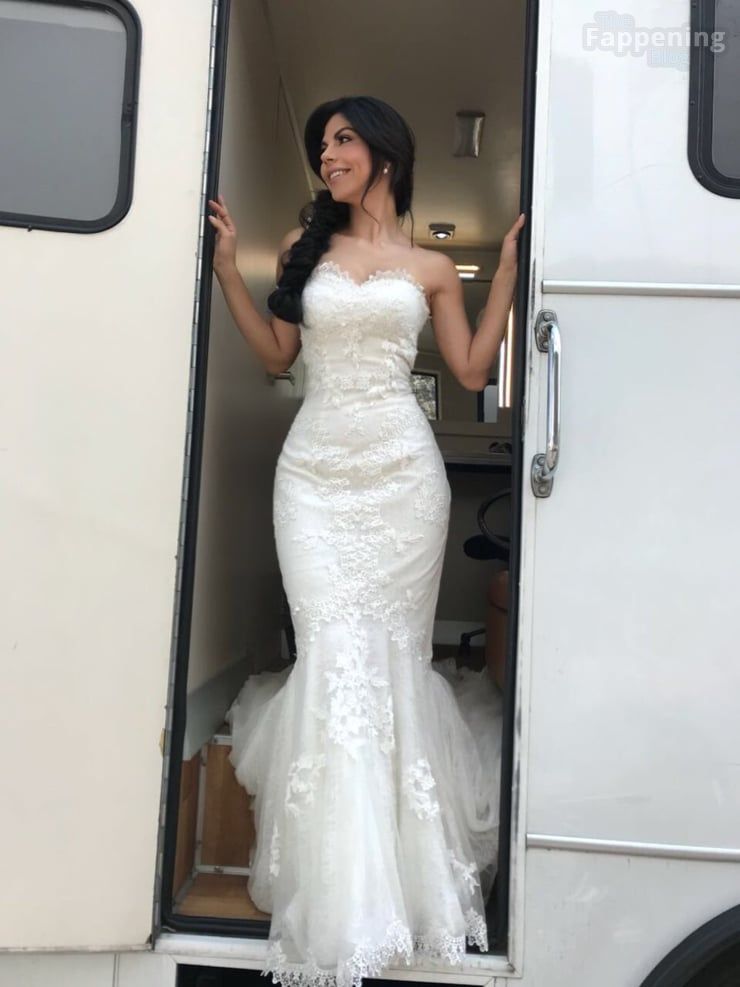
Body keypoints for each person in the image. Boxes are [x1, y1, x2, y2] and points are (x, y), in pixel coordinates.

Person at [207, 94, 524, 987]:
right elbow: (278, 356)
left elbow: (471, 368)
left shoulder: (431, 266)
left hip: (402, 481)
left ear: (385, 151)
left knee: (385, 658)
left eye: (342, 140)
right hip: (313, 477)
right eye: (321, 145)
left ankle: (398, 884)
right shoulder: (306, 248)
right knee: (333, 654)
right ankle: (338, 893)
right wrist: (229, 270)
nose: (328, 155)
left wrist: (505, 271)